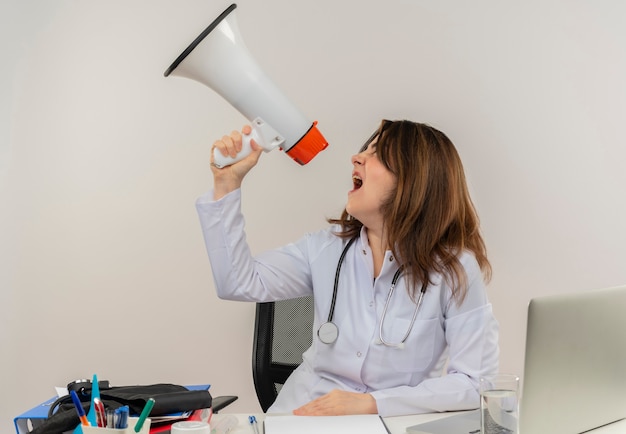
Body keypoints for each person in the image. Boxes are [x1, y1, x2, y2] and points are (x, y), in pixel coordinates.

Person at [195, 119, 499, 417]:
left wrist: (372, 403)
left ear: (414, 179)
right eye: (363, 149)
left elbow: (474, 384)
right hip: (301, 416)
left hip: (388, 424)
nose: (356, 157)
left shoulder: (455, 270)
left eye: (376, 153)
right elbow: (237, 282)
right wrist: (226, 184)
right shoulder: (327, 247)